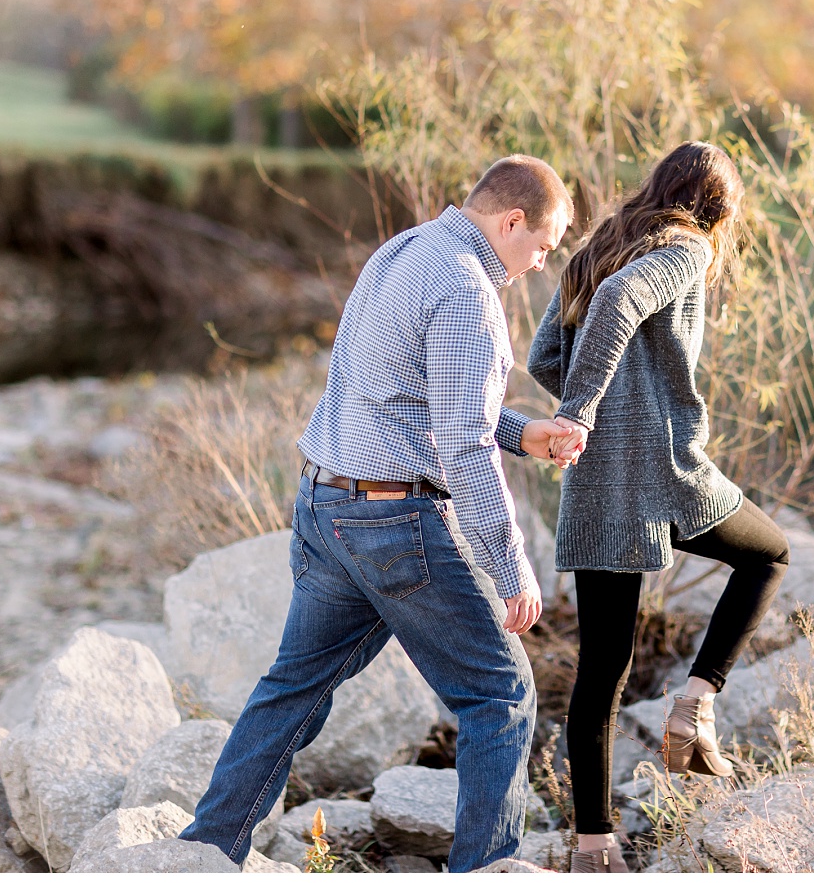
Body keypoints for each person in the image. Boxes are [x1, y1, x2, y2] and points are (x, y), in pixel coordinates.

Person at [181, 154, 587, 872]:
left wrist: (527, 433)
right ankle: (486, 869)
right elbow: (462, 446)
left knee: (293, 689)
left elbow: (420, 399)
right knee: (502, 691)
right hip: (394, 526)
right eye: (543, 247)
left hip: (326, 506)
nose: (537, 265)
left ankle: (202, 853)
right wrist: (511, 565)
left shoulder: (402, 251)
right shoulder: (467, 291)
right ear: (512, 220)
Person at [528, 141, 791, 873]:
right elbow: (619, 307)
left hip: (599, 480)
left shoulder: (597, 247)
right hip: (666, 471)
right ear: (721, 208)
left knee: (603, 666)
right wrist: (585, 411)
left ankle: (593, 846)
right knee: (769, 554)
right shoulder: (685, 248)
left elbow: (544, 357)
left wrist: (589, 416)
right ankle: (696, 701)